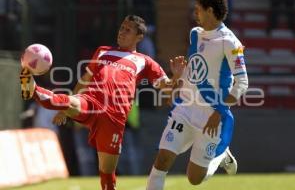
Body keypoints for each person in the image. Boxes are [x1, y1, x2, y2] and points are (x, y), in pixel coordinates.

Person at [19, 15, 186, 190]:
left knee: (107, 175)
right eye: (122, 28)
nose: (122, 32)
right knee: (63, 101)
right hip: (91, 101)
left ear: (139, 37)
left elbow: (168, 89)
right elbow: (85, 79)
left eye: (128, 30)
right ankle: (32, 88)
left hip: (114, 116)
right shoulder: (103, 51)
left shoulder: (145, 61)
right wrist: (64, 111)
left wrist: (176, 76)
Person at [146, 0, 248, 189]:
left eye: (198, 10)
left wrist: (219, 112)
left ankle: (219, 157)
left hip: (211, 114)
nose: (195, 14)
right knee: (162, 159)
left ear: (210, 11)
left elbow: (242, 83)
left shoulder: (230, 42)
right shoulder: (195, 34)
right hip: (185, 109)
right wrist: (176, 83)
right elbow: (195, 71)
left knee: (194, 179)